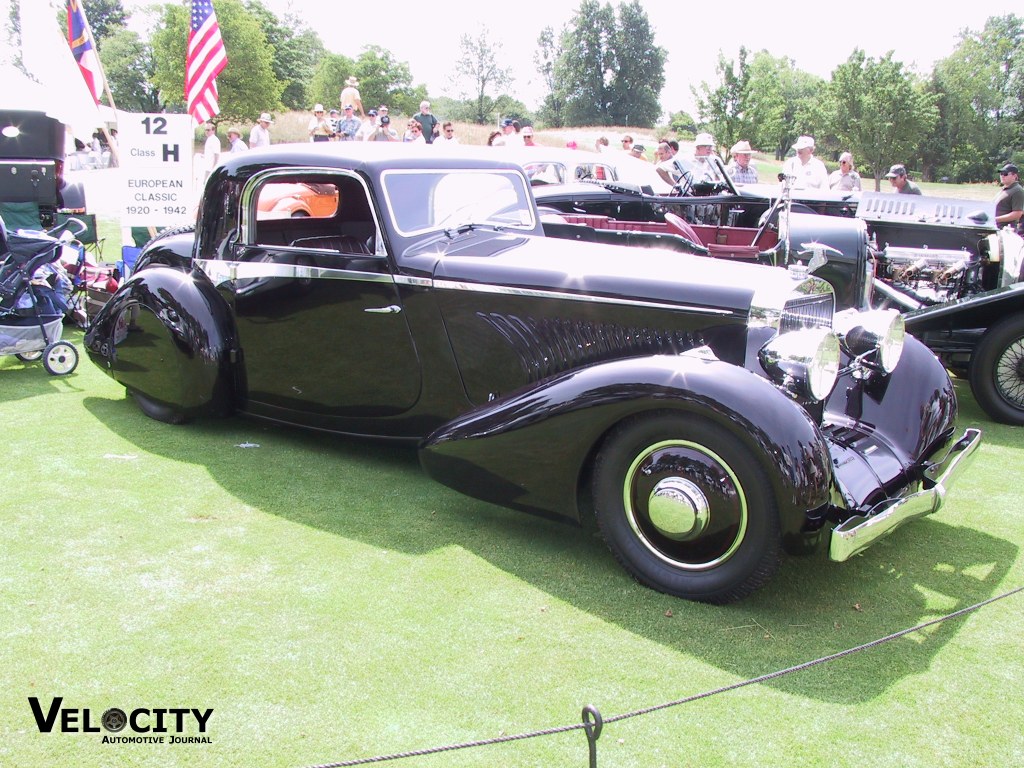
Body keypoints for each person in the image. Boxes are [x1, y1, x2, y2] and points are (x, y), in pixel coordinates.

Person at [994, 163, 1023, 231]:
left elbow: (1017, 213)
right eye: (1001, 173)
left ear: (1014, 175)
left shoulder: (1017, 191)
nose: (1002, 176)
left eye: (1005, 174)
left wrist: (995, 219)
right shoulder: (1005, 189)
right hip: (996, 228)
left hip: (1006, 230)